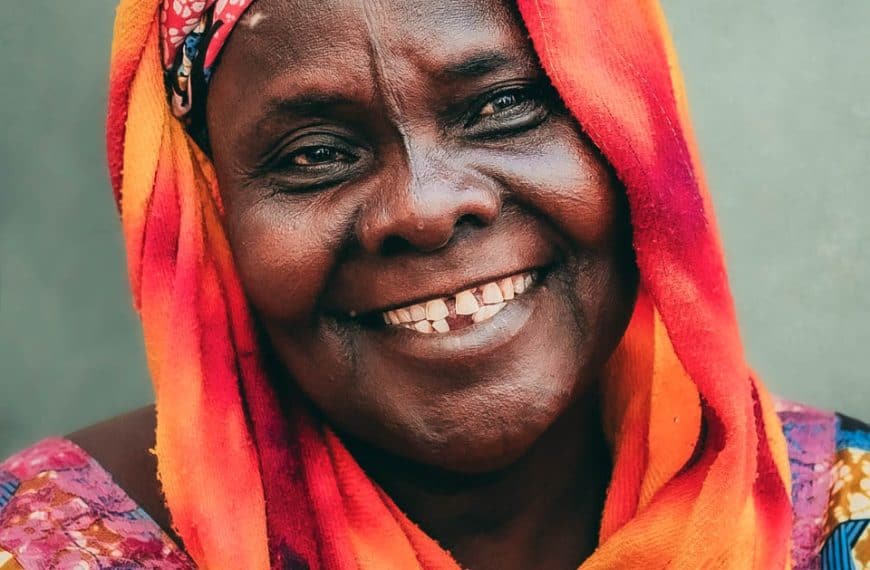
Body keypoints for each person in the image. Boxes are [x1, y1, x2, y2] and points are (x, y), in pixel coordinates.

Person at [0, 0, 867, 568]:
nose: (423, 207)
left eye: (502, 107)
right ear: (207, 214)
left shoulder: (841, 517)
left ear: (636, 134)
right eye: (313, 156)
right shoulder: (51, 543)